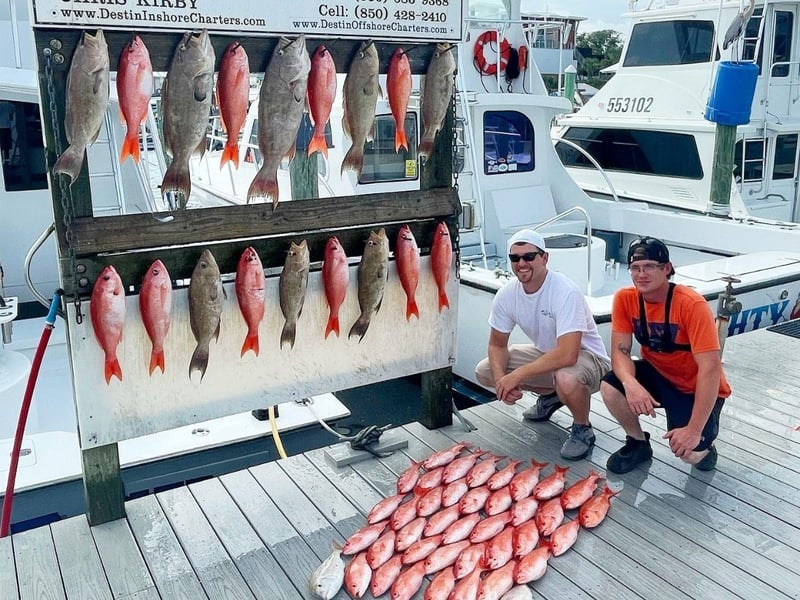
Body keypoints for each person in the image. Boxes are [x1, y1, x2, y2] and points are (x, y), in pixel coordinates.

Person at [475, 229, 611, 460]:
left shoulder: (564, 291)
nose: (522, 263)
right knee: (484, 371)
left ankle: (582, 429)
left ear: (544, 258)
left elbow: (569, 354)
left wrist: (518, 375)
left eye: (529, 256)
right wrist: (501, 381)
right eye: (515, 258)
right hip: (550, 355)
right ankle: (554, 396)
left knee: (566, 377)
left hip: (589, 358)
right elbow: (497, 345)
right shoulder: (507, 294)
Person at [600, 236, 731, 473]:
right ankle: (638, 442)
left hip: (696, 387)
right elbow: (620, 351)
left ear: (667, 269)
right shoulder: (624, 298)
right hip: (659, 375)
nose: (641, 274)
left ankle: (706, 446)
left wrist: (693, 429)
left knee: (690, 454)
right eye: (635, 268)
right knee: (610, 385)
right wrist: (631, 384)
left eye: (650, 266)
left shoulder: (692, 304)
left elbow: (710, 369)